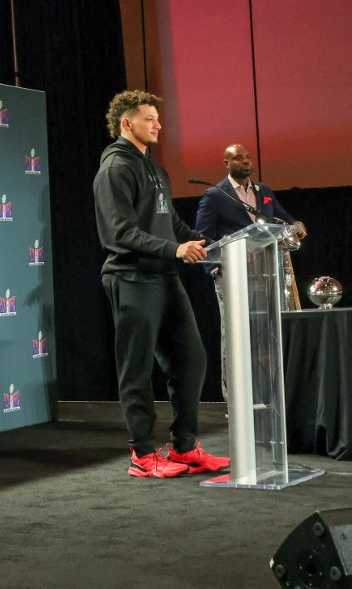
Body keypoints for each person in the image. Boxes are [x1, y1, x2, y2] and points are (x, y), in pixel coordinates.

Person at [93, 91, 230, 478]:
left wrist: (207, 243)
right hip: (131, 276)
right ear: (126, 123)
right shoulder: (115, 169)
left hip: (164, 277)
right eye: (149, 118)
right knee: (136, 369)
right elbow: (119, 233)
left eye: (157, 118)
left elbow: (170, 223)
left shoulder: (155, 170)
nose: (157, 125)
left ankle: (184, 448)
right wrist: (175, 249)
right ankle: (142, 454)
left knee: (191, 359)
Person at [194, 144, 307, 400]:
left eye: (248, 157)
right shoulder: (215, 195)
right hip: (231, 277)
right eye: (237, 158)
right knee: (234, 336)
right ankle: (233, 398)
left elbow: (282, 218)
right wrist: (214, 270)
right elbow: (203, 238)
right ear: (226, 163)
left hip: (265, 274)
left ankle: (267, 395)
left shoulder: (263, 191)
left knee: (265, 335)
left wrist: (296, 225)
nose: (245, 161)